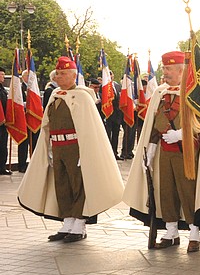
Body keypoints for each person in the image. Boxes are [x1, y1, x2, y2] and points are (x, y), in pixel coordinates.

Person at [17, 56, 124, 241]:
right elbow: (48, 124)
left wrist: (85, 151)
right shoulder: (55, 94)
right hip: (58, 146)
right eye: (57, 73)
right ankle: (67, 221)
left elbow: (89, 128)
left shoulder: (82, 96)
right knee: (62, 184)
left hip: (75, 147)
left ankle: (79, 225)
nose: (58, 77)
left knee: (78, 185)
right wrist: (48, 148)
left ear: (73, 75)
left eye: (63, 73)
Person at [124, 51, 200, 252]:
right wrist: (151, 147)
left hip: (188, 152)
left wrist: (182, 134)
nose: (164, 73)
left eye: (168, 69)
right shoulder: (161, 92)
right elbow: (154, 123)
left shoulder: (194, 92)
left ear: (181, 70)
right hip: (164, 151)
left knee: (188, 192)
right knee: (165, 190)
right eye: (164, 68)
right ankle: (171, 231)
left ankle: (194, 233)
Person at [105, 70, 123, 160]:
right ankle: (107, 155)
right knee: (107, 135)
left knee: (115, 135)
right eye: (108, 75)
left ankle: (115, 153)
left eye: (111, 74)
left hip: (117, 115)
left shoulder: (117, 86)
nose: (110, 76)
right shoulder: (103, 87)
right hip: (107, 115)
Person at [0, 67, 10, 175]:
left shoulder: (2, 89)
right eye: (1, 74)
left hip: (4, 122)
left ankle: (2, 167)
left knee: (3, 145)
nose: (3, 76)